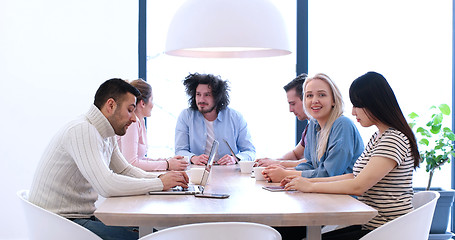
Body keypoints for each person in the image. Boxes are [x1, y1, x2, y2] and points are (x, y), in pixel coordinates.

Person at [29, 78, 189, 240]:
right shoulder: (82, 130)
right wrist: (160, 183)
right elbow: (107, 185)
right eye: (130, 110)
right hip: (60, 223)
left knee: (156, 233)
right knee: (154, 237)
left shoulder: (107, 132)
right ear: (110, 105)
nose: (134, 118)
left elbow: (125, 169)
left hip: (77, 218)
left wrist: (162, 178)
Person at [281, 71, 420, 240]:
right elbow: (354, 175)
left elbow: (358, 186)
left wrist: (310, 186)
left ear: (374, 104)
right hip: (372, 225)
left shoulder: (393, 139)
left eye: (357, 105)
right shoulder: (379, 136)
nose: (353, 112)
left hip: (387, 230)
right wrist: (307, 181)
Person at [262, 73, 364, 183]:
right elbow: (310, 165)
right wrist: (281, 171)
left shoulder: (343, 125)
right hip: (323, 194)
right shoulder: (313, 126)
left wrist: (286, 174)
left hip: (345, 198)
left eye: (321, 95)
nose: (314, 100)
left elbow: (330, 174)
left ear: (333, 100)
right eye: (309, 95)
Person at [175, 73, 256, 165]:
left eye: (207, 95)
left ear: (218, 97)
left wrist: (235, 158)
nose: (201, 99)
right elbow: (180, 151)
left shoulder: (236, 117)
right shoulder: (186, 116)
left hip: (229, 173)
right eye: (198, 94)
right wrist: (193, 158)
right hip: (197, 172)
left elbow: (250, 152)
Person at [117, 79, 188, 171]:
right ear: (142, 103)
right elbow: (132, 163)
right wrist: (166, 164)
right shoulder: (131, 124)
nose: (153, 104)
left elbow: (140, 160)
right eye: (152, 99)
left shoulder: (140, 121)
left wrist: (167, 161)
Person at [255, 73, 309, 168]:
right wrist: (271, 161)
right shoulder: (311, 128)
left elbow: (313, 163)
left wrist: (278, 164)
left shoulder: (334, 126)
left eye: (293, 104)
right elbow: (295, 154)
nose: (290, 109)